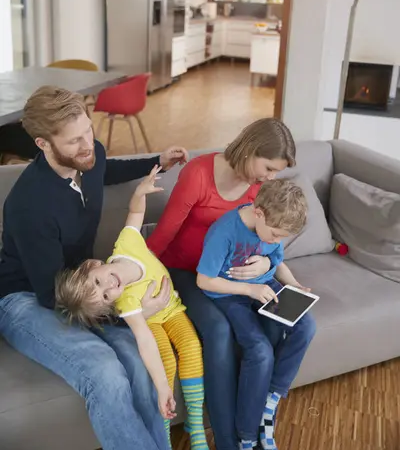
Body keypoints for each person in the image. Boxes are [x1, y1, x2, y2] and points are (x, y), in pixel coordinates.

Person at [0, 85, 189, 450]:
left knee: (136, 360)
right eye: (74, 141)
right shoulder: (31, 206)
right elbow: (51, 296)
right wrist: (126, 314)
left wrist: (157, 163)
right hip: (29, 297)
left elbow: (104, 167)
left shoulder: (88, 155)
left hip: (86, 280)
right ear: (43, 145)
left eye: (89, 130)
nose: (88, 144)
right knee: (103, 371)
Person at [147, 118, 316, 450]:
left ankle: (252, 426)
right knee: (220, 332)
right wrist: (135, 273)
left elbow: (268, 238)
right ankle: (228, 442)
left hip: (235, 276)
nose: (270, 177)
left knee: (272, 329)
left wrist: (268, 263)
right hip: (186, 272)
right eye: (268, 167)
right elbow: (163, 235)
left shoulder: (260, 188)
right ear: (251, 150)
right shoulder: (197, 174)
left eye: (275, 173)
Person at [55, 165, 209, 450]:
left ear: (93, 265)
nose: (109, 288)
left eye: (98, 282)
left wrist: (140, 192)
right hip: (153, 323)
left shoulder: (126, 245)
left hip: (174, 310)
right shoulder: (125, 303)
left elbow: (135, 216)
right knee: (167, 361)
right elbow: (144, 342)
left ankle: (195, 424)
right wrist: (164, 388)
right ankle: (162, 425)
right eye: (104, 297)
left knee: (190, 347)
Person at [197, 179, 314, 450]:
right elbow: (204, 281)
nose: (276, 240)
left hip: (265, 286)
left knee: (306, 326)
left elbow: (278, 260)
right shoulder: (224, 231)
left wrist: (294, 285)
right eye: (274, 234)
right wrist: (249, 289)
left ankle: (268, 402)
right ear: (258, 212)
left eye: (281, 237)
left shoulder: (271, 229)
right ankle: (247, 438)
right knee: (260, 350)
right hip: (230, 294)